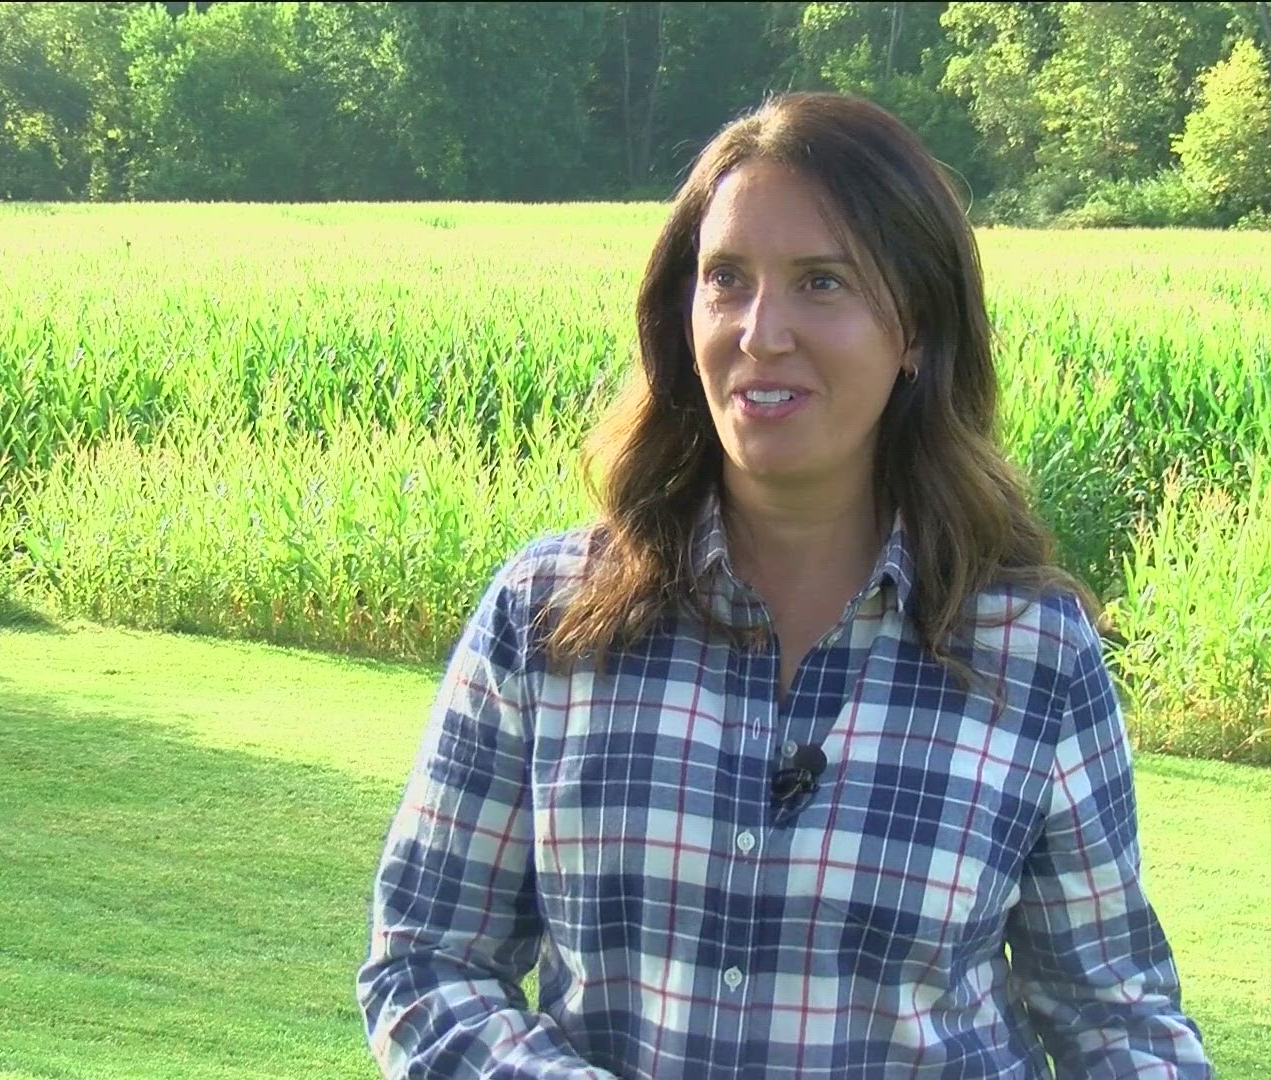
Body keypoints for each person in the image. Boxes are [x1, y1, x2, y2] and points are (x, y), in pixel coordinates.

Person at [358, 91, 1213, 1079]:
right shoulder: (544, 620)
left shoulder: (1031, 652)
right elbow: (427, 963)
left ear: (917, 335)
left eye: (822, 283)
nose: (762, 332)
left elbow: (1116, 1018)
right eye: (727, 280)